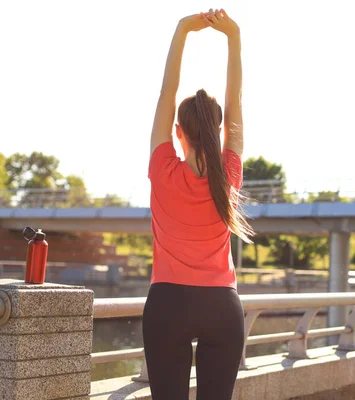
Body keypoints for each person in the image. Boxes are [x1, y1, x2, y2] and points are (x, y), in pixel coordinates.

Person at [143, 9, 254, 400]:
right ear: (218, 130)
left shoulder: (163, 167)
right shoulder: (228, 175)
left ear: (177, 132)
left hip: (168, 303)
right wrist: (233, 37)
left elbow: (166, 94)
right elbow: (234, 100)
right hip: (222, 308)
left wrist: (182, 30)